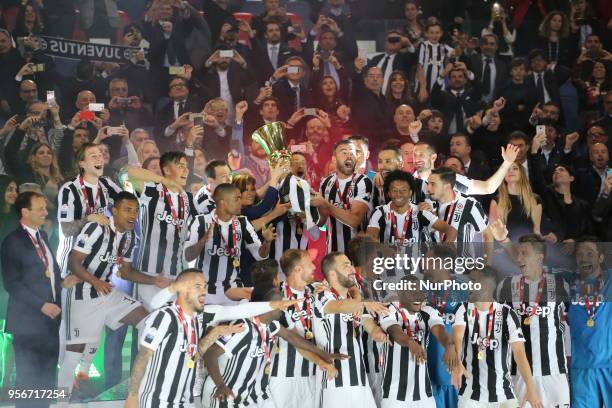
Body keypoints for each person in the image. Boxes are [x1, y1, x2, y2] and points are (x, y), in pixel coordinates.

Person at [125, 269, 300, 408]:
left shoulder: (203, 316)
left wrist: (274, 305)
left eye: (205, 286)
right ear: (182, 289)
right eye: (197, 286)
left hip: (185, 401)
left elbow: (237, 312)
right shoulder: (166, 316)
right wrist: (132, 396)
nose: (204, 291)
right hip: (157, 401)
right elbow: (143, 357)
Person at [57, 192, 169, 399]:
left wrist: (154, 281)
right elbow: (74, 262)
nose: (133, 215)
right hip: (82, 293)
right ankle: (61, 401)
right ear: (114, 211)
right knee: (75, 352)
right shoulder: (96, 227)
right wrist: (95, 281)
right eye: (128, 210)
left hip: (106, 292)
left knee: (148, 320)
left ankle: (142, 384)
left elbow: (125, 272)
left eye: (136, 210)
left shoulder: (128, 236)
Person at [202, 284, 341, 408]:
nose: (283, 305)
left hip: (253, 396)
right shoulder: (243, 327)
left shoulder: (272, 326)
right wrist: (220, 385)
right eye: (279, 301)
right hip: (225, 394)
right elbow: (210, 354)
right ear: (266, 305)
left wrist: (324, 354)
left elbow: (293, 338)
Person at [1, 192, 63, 408]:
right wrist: (41, 305)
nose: (46, 213)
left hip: (50, 321)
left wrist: (63, 283)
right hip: (28, 322)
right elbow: (12, 283)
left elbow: (49, 273)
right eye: (40, 209)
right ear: (24, 212)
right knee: (28, 379)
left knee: (46, 377)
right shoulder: (12, 242)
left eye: (45, 208)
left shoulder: (42, 236)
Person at [451, 267, 544, 408]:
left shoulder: (507, 313)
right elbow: (457, 337)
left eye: (473, 281)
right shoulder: (463, 308)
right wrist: (458, 362)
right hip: (470, 398)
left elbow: (519, 353)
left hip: (503, 397)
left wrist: (531, 389)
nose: (468, 285)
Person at [496, 234, 571, 408]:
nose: (519, 258)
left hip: (554, 374)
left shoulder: (560, 284)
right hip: (518, 375)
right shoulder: (506, 286)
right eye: (518, 253)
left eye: (524, 253)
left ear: (539, 257)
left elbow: (570, 320)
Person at [311, 252, 389, 407]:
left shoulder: (354, 300)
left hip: (359, 379)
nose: (352, 269)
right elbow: (337, 306)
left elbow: (367, 322)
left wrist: (377, 332)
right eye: (346, 265)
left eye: (351, 264)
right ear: (332, 273)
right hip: (334, 381)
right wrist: (364, 303)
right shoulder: (321, 294)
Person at [127, 151, 198, 310]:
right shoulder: (151, 190)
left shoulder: (188, 198)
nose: (186, 170)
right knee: (151, 323)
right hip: (149, 273)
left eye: (186, 167)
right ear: (166, 170)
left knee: (175, 325)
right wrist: (164, 181)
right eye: (180, 166)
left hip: (178, 274)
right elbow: (128, 171)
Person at [184, 183, 275, 305]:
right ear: (223, 202)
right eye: (236, 199)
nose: (241, 202)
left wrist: (267, 242)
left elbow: (261, 255)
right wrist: (203, 240)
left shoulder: (243, 222)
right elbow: (187, 256)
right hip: (205, 290)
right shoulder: (200, 221)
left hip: (233, 289)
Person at [378, 275, 458, 408]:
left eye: (420, 291)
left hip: (424, 395)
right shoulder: (389, 310)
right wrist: (410, 342)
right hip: (394, 395)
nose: (417, 296)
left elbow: (439, 330)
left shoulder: (428, 312)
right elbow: (394, 330)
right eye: (412, 291)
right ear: (400, 293)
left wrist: (449, 345)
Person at [268, 249, 319, 406]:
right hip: (282, 376)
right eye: (310, 264)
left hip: (312, 374)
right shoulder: (275, 296)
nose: (314, 267)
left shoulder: (318, 292)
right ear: (298, 269)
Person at [567, 237, 611, 408]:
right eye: (579, 254)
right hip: (582, 369)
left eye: (590, 254)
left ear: (600, 258)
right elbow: (534, 267)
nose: (584, 259)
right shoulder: (567, 281)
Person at [367, 170, 456, 249]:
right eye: (394, 190)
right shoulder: (380, 212)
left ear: (410, 193)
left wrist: (444, 250)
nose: (399, 194)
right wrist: (382, 249)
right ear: (389, 193)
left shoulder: (420, 212)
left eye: (404, 190)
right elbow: (370, 237)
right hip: (387, 265)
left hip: (415, 266)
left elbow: (451, 231)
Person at [311, 140, 373, 253]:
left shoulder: (363, 181)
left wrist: (326, 204)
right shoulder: (326, 182)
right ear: (334, 159)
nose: (349, 155)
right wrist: (311, 207)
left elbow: (354, 220)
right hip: (333, 252)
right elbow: (322, 222)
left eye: (352, 153)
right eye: (344, 152)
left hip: (358, 254)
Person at [426, 167, 492, 258]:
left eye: (433, 184)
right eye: (428, 183)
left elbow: (487, 234)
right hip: (436, 267)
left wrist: (486, 265)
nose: (428, 188)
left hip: (463, 267)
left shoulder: (470, 204)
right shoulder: (429, 204)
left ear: (447, 187)